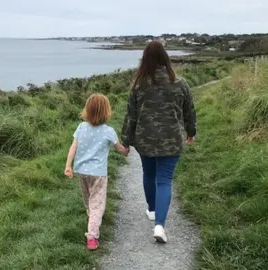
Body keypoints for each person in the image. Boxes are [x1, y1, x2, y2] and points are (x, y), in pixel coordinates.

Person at [120, 40, 197, 244]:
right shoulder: (180, 83)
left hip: (145, 140)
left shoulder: (139, 86)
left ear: (145, 59)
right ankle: (159, 225)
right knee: (164, 180)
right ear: (165, 58)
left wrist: (125, 141)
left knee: (149, 173)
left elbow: (131, 117)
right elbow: (189, 112)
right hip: (172, 140)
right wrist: (191, 131)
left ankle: (152, 210)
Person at [64, 93, 129, 250]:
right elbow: (119, 148)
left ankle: (92, 217)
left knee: (88, 198)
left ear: (87, 110)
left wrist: (68, 165)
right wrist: (126, 151)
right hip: (98, 173)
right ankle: (92, 236)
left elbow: (73, 147)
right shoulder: (108, 131)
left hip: (81, 171)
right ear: (106, 111)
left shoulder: (81, 127)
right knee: (97, 203)